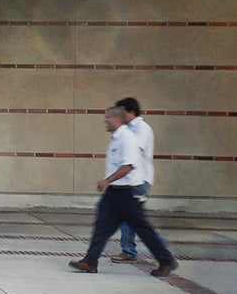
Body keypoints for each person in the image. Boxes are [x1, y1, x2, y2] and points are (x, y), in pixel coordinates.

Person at [69, 103, 177, 277]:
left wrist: (106, 181)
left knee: (142, 228)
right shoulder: (117, 137)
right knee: (102, 226)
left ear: (117, 118)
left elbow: (128, 166)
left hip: (128, 193)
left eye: (108, 117)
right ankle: (90, 261)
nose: (105, 120)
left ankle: (166, 260)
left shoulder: (128, 138)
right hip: (114, 192)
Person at [109, 97, 155, 262]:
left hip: (139, 179)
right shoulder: (126, 129)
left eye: (121, 112)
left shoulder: (142, 128)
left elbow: (133, 152)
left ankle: (129, 252)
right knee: (130, 218)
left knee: (131, 219)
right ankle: (133, 250)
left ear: (131, 112)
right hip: (129, 180)